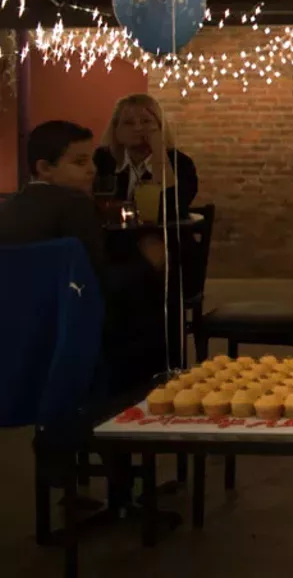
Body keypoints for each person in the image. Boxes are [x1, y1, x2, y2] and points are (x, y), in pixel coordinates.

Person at [0, 120, 169, 391]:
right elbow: (93, 283)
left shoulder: (12, 205)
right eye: (79, 162)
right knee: (145, 306)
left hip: (20, 331)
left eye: (90, 160)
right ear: (45, 168)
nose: (92, 169)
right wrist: (147, 262)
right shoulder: (75, 204)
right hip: (68, 329)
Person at [94, 93, 198, 219]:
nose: (138, 128)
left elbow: (174, 210)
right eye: (128, 123)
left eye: (146, 121)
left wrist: (159, 151)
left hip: (161, 234)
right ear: (117, 130)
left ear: (160, 127)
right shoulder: (102, 159)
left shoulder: (180, 163)